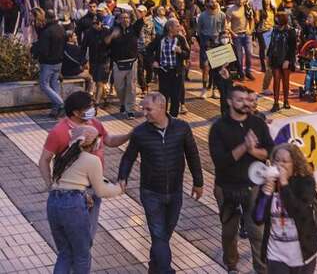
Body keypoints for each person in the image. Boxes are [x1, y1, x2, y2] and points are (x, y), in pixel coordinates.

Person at [118, 92, 204, 274]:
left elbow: (193, 155)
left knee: (164, 235)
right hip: (150, 192)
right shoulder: (140, 133)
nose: (144, 113)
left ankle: (154, 266)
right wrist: (122, 178)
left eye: (148, 109)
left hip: (175, 191)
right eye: (143, 109)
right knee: (158, 234)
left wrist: (199, 182)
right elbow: (128, 157)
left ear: (162, 108)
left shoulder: (182, 128)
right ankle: (165, 270)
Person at [38, 91, 131, 241]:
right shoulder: (58, 132)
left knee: (88, 237)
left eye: (92, 106)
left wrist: (129, 135)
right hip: (74, 193)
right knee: (77, 243)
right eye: (88, 107)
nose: (92, 110)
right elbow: (44, 160)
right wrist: (51, 186)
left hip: (93, 186)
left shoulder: (94, 123)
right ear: (75, 112)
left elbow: (110, 140)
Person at [209, 85, 274, 274]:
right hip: (227, 187)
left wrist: (255, 151)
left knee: (258, 232)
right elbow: (220, 162)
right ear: (229, 101)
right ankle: (232, 266)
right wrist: (244, 148)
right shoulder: (219, 128)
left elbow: (271, 150)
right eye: (240, 100)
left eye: (247, 100)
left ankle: (261, 269)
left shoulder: (257, 123)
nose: (245, 104)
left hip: (254, 187)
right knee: (229, 232)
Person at [47, 125, 124, 274]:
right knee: (82, 255)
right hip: (73, 206)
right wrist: (120, 188)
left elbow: (67, 182)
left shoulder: (62, 155)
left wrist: (83, 195)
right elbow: (101, 191)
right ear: (94, 143)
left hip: (53, 203)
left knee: (65, 253)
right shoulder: (92, 160)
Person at [257, 143, 317, 274]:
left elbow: (297, 212)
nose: (280, 165)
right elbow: (258, 218)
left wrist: (284, 184)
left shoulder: (305, 182)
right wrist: (265, 194)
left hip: (303, 253)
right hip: (276, 253)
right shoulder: (269, 183)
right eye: (277, 160)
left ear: (295, 164)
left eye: (285, 161)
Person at [105, 7, 145, 118]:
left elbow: (141, 19)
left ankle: (130, 109)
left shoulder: (134, 29)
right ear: (118, 20)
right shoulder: (114, 29)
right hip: (118, 63)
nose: (125, 20)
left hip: (132, 62)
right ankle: (123, 103)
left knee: (131, 87)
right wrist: (112, 36)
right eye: (123, 18)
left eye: (127, 18)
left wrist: (133, 6)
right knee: (119, 87)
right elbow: (105, 42)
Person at [149, 19, 191, 117]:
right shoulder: (160, 39)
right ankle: (163, 117)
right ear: (170, 28)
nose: (179, 28)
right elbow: (148, 50)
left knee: (175, 97)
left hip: (177, 72)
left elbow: (187, 54)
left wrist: (181, 52)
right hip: (164, 71)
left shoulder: (180, 39)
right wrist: (153, 61)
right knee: (163, 97)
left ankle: (173, 118)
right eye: (177, 26)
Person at [36, 9, 66, 117]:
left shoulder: (46, 31)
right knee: (54, 84)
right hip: (59, 62)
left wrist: (40, 57)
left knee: (44, 84)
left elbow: (44, 50)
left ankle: (61, 104)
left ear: (47, 18)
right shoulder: (61, 29)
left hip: (48, 62)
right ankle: (55, 109)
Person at [197, 0, 227, 98]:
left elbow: (224, 29)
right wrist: (203, 41)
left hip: (218, 42)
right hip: (206, 42)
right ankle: (204, 88)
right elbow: (199, 31)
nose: (213, 3)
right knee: (205, 67)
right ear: (207, 3)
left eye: (215, 1)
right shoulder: (202, 16)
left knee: (217, 68)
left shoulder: (222, 15)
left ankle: (215, 89)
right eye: (211, 1)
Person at [267, 12, 297, 112]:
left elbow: (293, 48)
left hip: (285, 59)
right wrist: (268, 56)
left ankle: (286, 101)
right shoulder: (274, 30)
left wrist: (288, 60)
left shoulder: (291, 31)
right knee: (276, 80)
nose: (276, 20)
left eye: (277, 19)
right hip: (275, 58)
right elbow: (271, 43)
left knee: (285, 81)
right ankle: (275, 103)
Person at [81, 8, 111, 107]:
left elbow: (111, 47)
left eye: (97, 23)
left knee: (99, 81)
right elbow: (83, 47)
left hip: (104, 60)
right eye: (93, 23)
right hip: (93, 60)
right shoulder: (88, 33)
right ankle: (105, 97)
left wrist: (109, 61)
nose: (95, 26)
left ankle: (97, 102)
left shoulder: (106, 32)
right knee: (97, 80)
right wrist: (84, 61)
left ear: (101, 23)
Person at [227, 0, 254, 80]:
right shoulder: (231, 10)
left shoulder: (247, 8)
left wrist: (251, 30)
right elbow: (227, 24)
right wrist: (231, 33)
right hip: (237, 35)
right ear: (235, 0)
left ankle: (248, 71)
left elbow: (252, 19)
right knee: (239, 55)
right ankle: (241, 73)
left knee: (249, 53)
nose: (240, 1)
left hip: (246, 34)